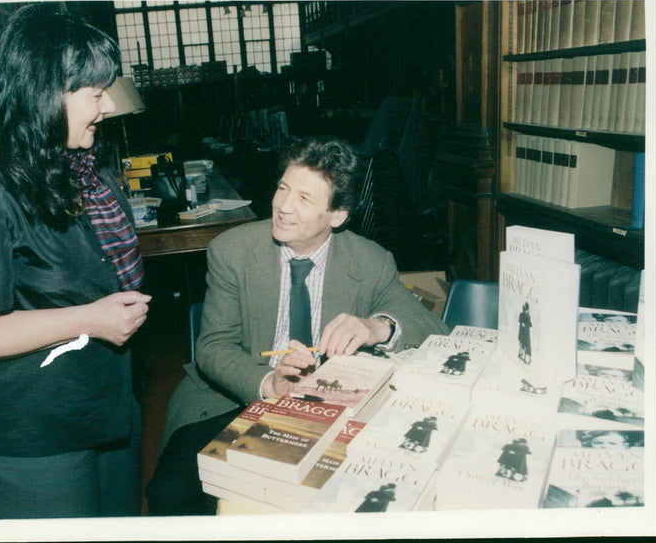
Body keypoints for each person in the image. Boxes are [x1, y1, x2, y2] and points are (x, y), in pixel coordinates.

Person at [0, 3, 150, 519]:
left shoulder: (78, 165)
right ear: (46, 92)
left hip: (103, 409)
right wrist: (90, 318)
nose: (108, 106)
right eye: (95, 93)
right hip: (29, 433)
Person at [145, 136, 449, 515]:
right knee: (171, 495)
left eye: (304, 198)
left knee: (356, 501)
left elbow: (433, 329)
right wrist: (269, 383)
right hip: (232, 396)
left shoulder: (370, 261)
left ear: (337, 216)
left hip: (329, 407)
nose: (283, 206)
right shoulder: (233, 250)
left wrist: (377, 327)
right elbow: (213, 347)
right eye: (282, 188)